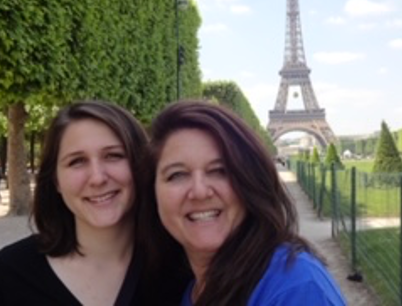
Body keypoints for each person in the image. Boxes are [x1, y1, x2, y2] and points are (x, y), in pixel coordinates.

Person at [141, 99, 347, 306]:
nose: (200, 192)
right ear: (153, 190)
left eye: (220, 171)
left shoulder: (295, 288)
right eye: (177, 175)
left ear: (250, 181)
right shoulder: (186, 290)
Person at [0, 100, 187, 306]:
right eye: (77, 161)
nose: (97, 178)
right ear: (56, 181)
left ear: (141, 165)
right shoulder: (9, 273)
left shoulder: (181, 271)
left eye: (113, 156)